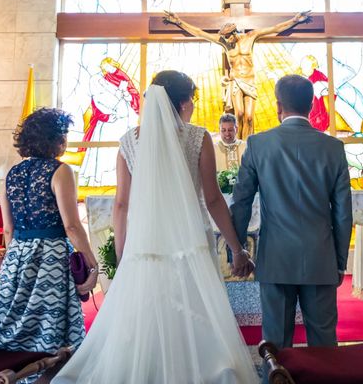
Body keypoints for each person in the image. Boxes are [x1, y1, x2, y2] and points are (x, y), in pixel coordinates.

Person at [53, 70, 258, 384]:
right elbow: (214, 199)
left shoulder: (129, 142)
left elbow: (121, 205)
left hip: (144, 244)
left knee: (148, 313)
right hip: (190, 243)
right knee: (194, 310)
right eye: (191, 99)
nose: (192, 105)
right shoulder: (197, 137)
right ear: (182, 102)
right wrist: (236, 248)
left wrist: (124, 257)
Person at [231, 74, 353, 380]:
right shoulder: (333, 148)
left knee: (275, 345)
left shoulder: (259, 144)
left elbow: (242, 201)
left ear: (277, 106)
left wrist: (239, 249)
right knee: (324, 343)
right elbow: (342, 213)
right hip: (320, 257)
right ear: (312, 106)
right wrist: (339, 261)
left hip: (276, 257)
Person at [0, 109, 99, 362]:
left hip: (17, 252)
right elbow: (71, 226)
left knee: (15, 319)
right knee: (49, 322)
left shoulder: (11, 174)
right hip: (50, 255)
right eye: (64, 135)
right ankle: (51, 369)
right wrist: (92, 265)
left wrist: (16, 259)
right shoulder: (60, 171)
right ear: (56, 139)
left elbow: (8, 228)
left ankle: (14, 367)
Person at [163, 10, 310, 140]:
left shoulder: (250, 37)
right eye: (225, 37)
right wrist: (179, 22)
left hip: (249, 80)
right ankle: (238, 143)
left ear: (234, 33)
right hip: (236, 81)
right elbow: (200, 33)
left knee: (250, 117)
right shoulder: (224, 42)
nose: (226, 40)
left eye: (228, 37)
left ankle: (247, 143)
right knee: (239, 113)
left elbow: (275, 28)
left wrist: (295, 20)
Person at [80, 57, 140, 186]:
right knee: (104, 153)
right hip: (109, 121)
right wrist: (107, 115)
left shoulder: (121, 77)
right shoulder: (97, 80)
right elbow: (99, 100)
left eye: (113, 67)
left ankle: (123, 181)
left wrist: (125, 93)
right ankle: (98, 180)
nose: (111, 70)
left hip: (124, 121)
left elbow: (133, 96)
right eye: (107, 67)